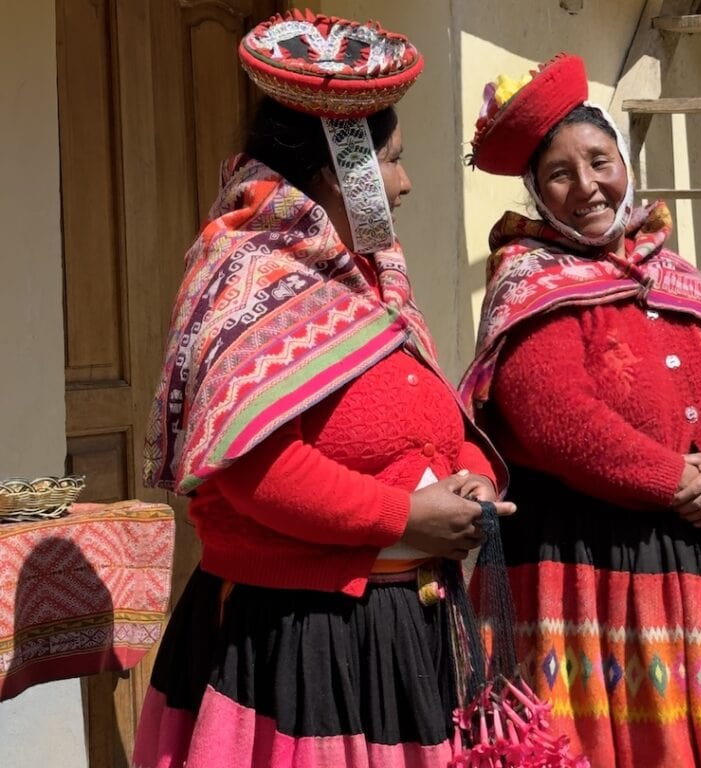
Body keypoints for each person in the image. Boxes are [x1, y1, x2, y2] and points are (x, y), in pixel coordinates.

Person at [132, 12, 515, 768]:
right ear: (343, 166)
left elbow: (426, 405)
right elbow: (253, 469)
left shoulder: (368, 274)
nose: (404, 185)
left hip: (397, 630)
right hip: (302, 646)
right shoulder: (246, 276)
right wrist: (405, 515)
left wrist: (468, 464)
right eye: (393, 163)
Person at [460, 53, 701, 768]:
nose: (587, 186)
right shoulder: (528, 281)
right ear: (537, 192)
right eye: (560, 174)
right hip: (590, 559)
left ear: (625, 161)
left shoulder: (668, 268)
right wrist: (682, 484)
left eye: (599, 160)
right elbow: (552, 417)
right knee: (610, 744)